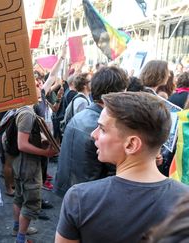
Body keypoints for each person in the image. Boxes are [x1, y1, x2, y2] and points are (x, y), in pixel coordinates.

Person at [55, 92, 189, 243]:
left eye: (102, 129)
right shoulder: (185, 201)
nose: (94, 134)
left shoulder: (81, 197)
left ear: (131, 144)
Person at [53, 66, 128, 197]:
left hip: (72, 191)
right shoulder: (104, 126)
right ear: (117, 93)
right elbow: (115, 172)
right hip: (90, 196)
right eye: (124, 91)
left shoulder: (81, 116)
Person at [12, 78, 58, 243]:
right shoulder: (27, 113)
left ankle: (18, 229)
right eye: (37, 85)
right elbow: (22, 144)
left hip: (22, 163)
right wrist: (44, 153)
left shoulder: (25, 109)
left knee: (19, 197)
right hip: (28, 165)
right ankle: (21, 238)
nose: (40, 86)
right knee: (31, 202)